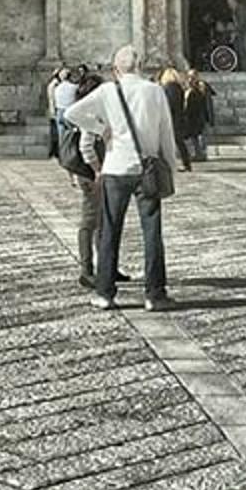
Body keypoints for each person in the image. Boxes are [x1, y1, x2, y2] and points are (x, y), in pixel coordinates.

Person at [64, 45, 180, 312]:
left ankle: (105, 293)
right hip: (147, 168)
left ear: (116, 69)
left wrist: (102, 129)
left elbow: (71, 114)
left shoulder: (107, 90)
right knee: (152, 233)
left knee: (110, 231)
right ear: (139, 66)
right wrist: (170, 168)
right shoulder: (154, 91)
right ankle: (155, 294)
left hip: (116, 168)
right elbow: (166, 133)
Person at [159, 66, 193, 172]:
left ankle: (168, 163)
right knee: (179, 142)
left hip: (171, 118)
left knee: (168, 142)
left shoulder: (168, 88)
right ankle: (186, 163)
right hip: (178, 117)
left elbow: (169, 104)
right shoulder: (179, 88)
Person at [183, 70, 212, 162]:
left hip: (200, 116)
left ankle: (201, 154)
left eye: (193, 76)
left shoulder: (201, 88)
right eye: (189, 76)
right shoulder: (188, 89)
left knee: (199, 137)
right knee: (194, 137)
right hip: (192, 117)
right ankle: (197, 153)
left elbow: (207, 104)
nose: (191, 79)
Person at [51, 66, 79, 161]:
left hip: (59, 112)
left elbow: (54, 100)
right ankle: (72, 155)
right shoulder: (74, 87)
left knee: (61, 136)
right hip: (69, 111)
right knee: (72, 135)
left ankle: (62, 156)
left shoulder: (57, 88)